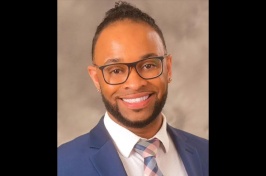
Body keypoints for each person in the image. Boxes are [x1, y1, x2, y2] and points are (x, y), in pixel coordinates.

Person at [57, 1, 208, 176]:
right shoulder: (63, 165)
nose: (135, 83)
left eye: (148, 65)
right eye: (116, 70)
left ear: (168, 68)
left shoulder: (205, 154)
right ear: (96, 79)